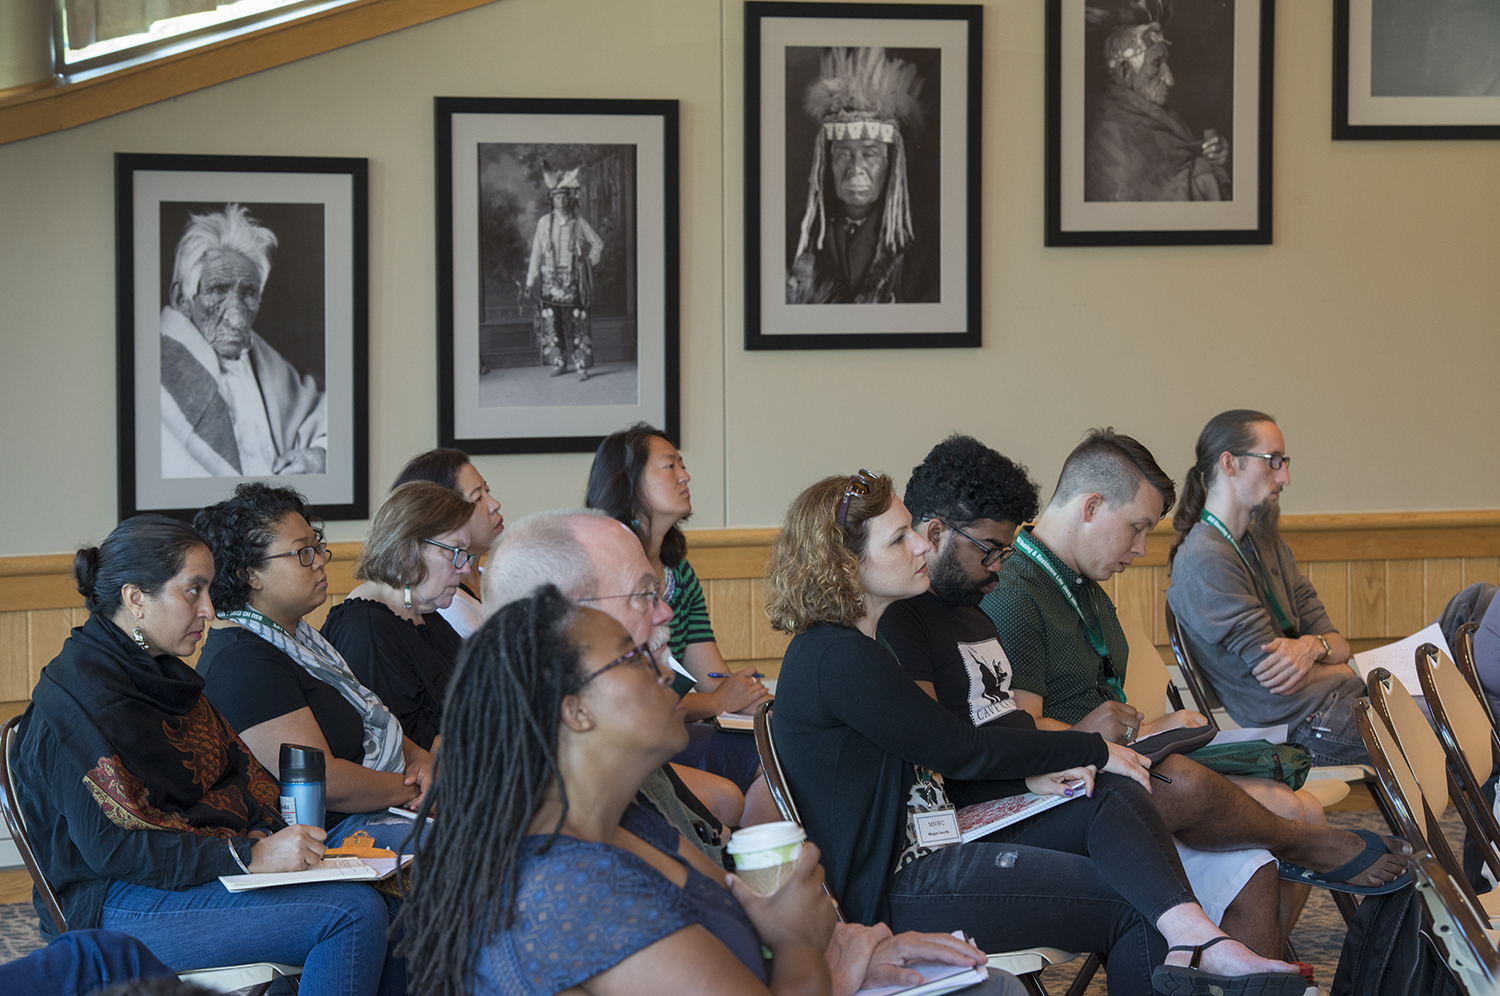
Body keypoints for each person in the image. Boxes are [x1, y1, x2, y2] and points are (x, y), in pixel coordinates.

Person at [766, 469, 1311, 996]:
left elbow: (939, 763)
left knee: (1108, 795)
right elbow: (961, 750)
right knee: (1130, 904)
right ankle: (1193, 938)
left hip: (932, 845)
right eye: (898, 539)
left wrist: (1055, 773)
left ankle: (1198, 936)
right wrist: (1092, 747)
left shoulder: (857, 647)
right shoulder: (836, 657)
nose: (920, 545)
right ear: (846, 566)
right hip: (898, 884)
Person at [394, 585, 1015, 996]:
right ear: (574, 711)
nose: (666, 670)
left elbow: (738, 946)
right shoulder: (575, 889)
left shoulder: (628, 821)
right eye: (634, 658)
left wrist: (837, 949)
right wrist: (799, 943)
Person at [12, 515, 402, 996]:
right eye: (192, 591)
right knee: (351, 914)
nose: (210, 610)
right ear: (136, 599)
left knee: (389, 897)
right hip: (112, 901)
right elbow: (116, 849)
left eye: (210, 590)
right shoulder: (76, 704)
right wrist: (249, 854)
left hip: (187, 873)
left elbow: (237, 774)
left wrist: (260, 835)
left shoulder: (159, 676)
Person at [195, 483, 436, 841]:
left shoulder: (302, 640)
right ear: (250, 574)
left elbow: (376, 720)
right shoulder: (241, 661)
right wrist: (415, 789)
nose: (320, 560)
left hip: (381, 804)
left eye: (316, 546)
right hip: (323, 833)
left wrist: (423, 762)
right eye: (302, 553)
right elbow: (326, 781)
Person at [483, 508, 749, 831]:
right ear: (574, 618)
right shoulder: (562, 807)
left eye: (658, 593)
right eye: (644, 595)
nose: (665, 612)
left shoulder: (619, 751)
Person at [1167, 411, 1368, 766]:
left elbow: (1337, 642)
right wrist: (1339, 667)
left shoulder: (1265, 541)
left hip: (1337, 700)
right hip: (1303, 725)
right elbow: (1282, 679)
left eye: (1284, 462)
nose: (1285, 477)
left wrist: (1311, 646)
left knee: (1474, 701)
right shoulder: (1204, 559)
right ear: (1229, 464)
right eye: (1272, 462)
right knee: (1465, 732)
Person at [586, 422, 771, 790]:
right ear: (630, 480)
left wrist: (749, 698)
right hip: (617, 742)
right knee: (758, 766)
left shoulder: (679, 572)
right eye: (670, 466)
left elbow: (711, 675)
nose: (685, 476)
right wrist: (717, 702)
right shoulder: (603, 571)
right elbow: (625, 700)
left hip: (670, 725)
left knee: (778, 745)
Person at [160, 203, 327, 477]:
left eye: (249, 293)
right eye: (218, 290)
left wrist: (320, 455)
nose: (238, 319)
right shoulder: (153, 376)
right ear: (182, 299)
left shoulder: (263, 358)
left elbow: (327, 416)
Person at [322, 481, 471, 750]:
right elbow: (403, 749)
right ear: (406, 551)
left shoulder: (424, 613)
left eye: (465, 554)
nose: (464, 568)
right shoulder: (365, 629)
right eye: (454, 552)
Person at [786, 47, 935, 304]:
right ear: (827, 161)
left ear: (892, 165)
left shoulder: (925, 244)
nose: (855, 166)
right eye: (843, 154)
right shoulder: (800, 237)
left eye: (869, 154)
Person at [1085, 22, 1231, 202]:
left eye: (1165, 62)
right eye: (1156, 64)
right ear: (1125, 72)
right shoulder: (1111, 140)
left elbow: (1184, 159)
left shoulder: (1155, 109)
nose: (1170, 79)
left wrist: (1216, 155)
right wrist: (1208, 170)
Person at [390, 447, 505, 638]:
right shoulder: (447, 604)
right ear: (441, 516)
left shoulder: (494, 580)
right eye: (478, 498)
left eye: (488, 490)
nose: (495, 504)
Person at [526, 164, 604, 380]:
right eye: (557, 197)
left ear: (569, 199)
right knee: (552, 321)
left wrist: (588, 262)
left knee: (577, 321)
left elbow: (597, 243)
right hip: (550, 281)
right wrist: (530, 280)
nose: (561, 201)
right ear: (552, 199)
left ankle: (581, 364)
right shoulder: (544, 223)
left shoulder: (578, 223)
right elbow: (536, 253)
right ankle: (559, 362)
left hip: (574, 281)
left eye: (564, 197)